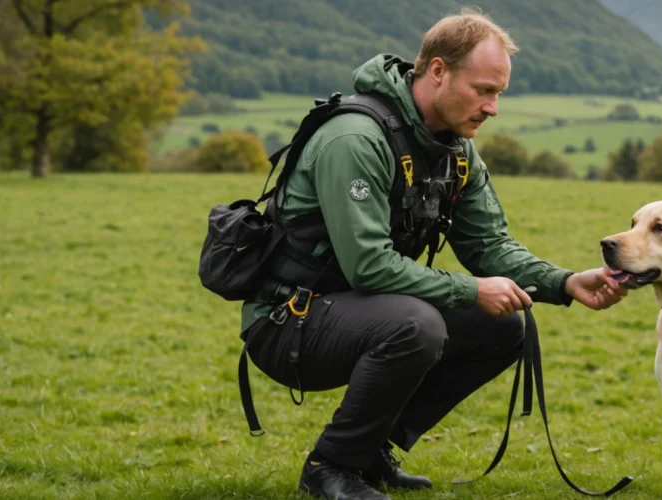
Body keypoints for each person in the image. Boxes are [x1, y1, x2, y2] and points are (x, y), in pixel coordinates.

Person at [238, 8, 628, 500]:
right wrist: (470, 288)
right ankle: (330, 467)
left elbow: (487, 246)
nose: (493, 108)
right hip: (289, 320)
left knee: (506, 324)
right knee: (416, 324)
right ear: (438, 71)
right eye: (483, 90)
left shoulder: (455, 150)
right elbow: (369, 266)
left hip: (362, 310)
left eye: (499, 94)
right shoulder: (355, 139)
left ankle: (372, 453)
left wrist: (565, 282)